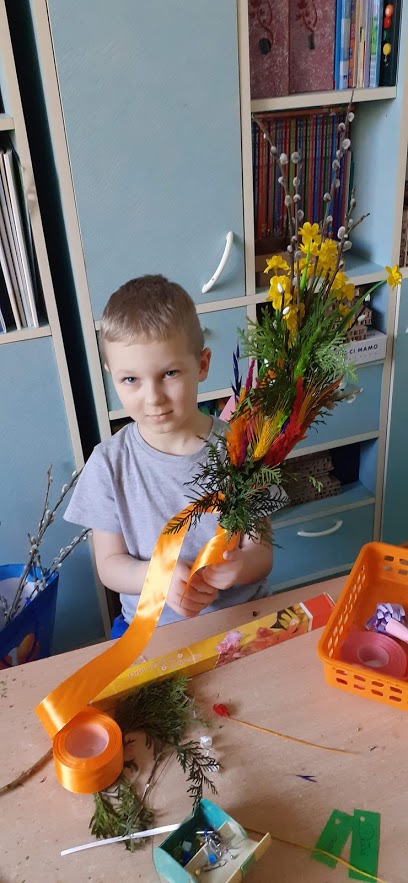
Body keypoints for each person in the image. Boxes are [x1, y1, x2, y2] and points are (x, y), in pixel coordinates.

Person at [64, 275, 275, 638]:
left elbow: (262, 552)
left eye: (170, 373)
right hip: (151, 632)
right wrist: (157, 574)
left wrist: (239, 567)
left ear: (202, 365)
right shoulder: (108, 465)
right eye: (131, 380)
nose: (153, 398)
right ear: (111, 376)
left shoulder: (242, 450)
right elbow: (109, 565)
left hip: (242, 622)